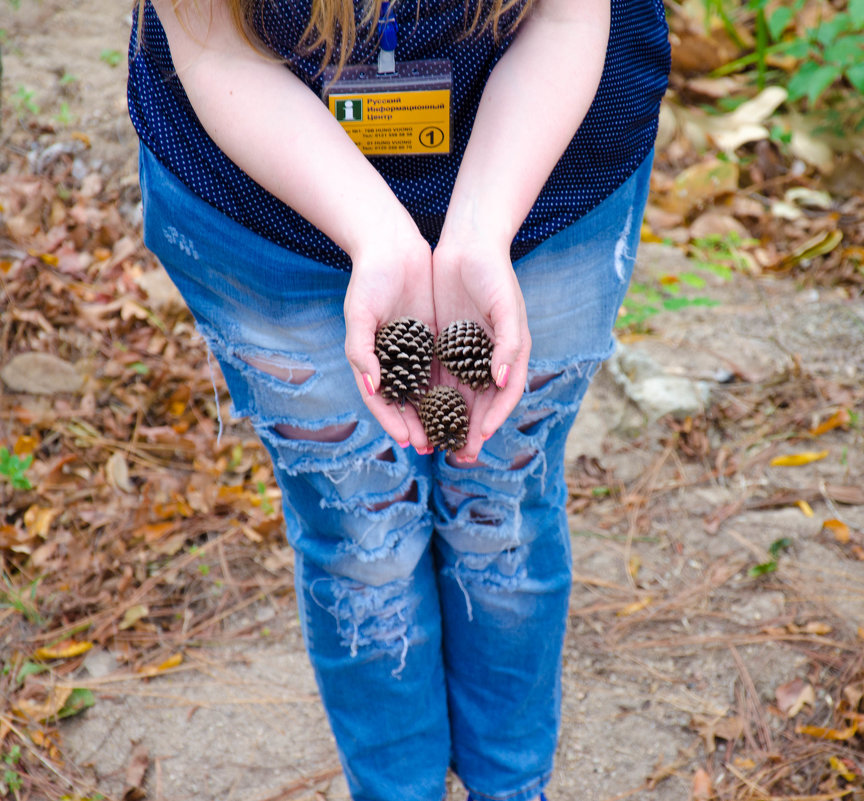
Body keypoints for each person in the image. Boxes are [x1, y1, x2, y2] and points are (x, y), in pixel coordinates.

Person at [128, 0, 669, 799]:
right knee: (360, 536)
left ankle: (514, 787)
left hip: (551, 170)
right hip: (262, 208)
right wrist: (379, 236)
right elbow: (216, 51)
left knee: (502, 510)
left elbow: (566, 19)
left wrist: (479, 230)